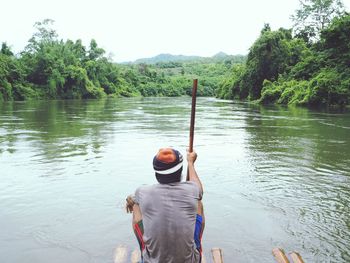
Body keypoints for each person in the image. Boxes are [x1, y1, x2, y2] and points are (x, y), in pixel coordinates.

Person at [126, 147, 204, 263]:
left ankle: (145, 249)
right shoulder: (192, 190)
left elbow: (133, 199)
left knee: (136, 206)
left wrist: (130, 200)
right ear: (180, 172)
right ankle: (195, 243)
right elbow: (199, 190)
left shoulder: (142, 191)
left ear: (157, 174)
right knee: (198, 204)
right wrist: (191, 163)